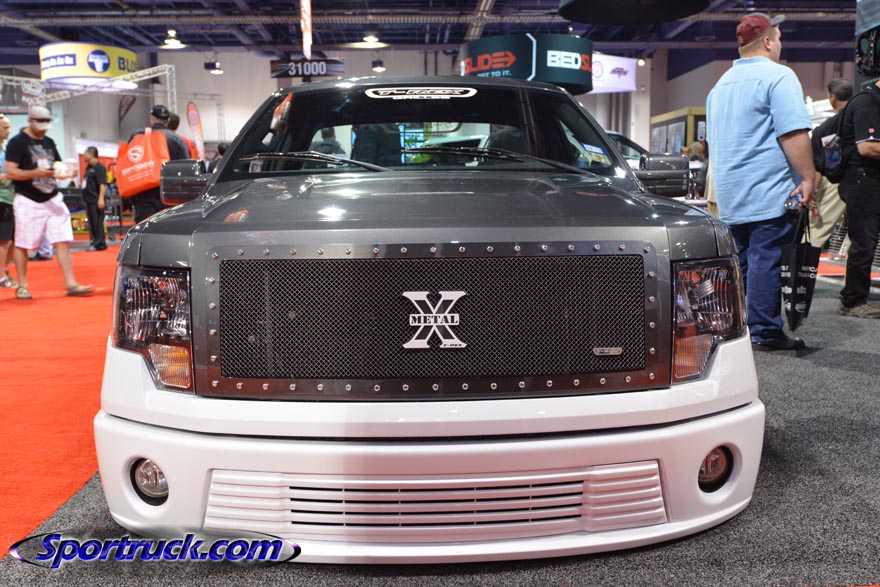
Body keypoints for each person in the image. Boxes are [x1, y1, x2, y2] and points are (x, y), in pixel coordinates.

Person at [706, 12, 815, 351]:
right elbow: (793, 132)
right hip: (769, 189)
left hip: (731, 193)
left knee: (739, 264)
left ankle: (735, 329)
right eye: (779, 39)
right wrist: (808, 177)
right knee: (766, 260)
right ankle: (765, 332)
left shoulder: (719, 86)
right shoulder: (778, 76)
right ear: (768, 41)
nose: (780, 45)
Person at [5, 105, 94, 299]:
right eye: (40, 124)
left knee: (62, 240)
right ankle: (23, 285)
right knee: (23, 243)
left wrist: (66, 172)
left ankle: (70, 283)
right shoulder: (17, 143)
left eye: (46, 124)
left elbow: (56, 166)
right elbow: (11, 172)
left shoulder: (49, 142)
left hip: (52, 197)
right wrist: (33, 173)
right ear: (30, 121)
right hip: (28, 199)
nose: (43, 129)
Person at [837, 72, 880, 317]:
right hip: (863, 183)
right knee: (864, 244)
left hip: (870, 181)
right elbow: (868, 147)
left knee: (865, 243)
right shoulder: (868, 102)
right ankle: (853, 300)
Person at [809, 77, 852, 251]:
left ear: (832, 97)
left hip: (835, 183)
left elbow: (818, 165)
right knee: (859, 234)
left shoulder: (826, 128)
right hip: (865, 181)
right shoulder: (864, 118)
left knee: (817, 230)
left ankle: (805, 263)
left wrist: (811, 191)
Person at [127, 104, 190, 223]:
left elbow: (127, 165)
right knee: (168, 229)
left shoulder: (137, 135)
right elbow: (186, 169)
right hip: (169, 195)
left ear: (152, 118)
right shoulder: (176, 139)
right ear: (168, 120)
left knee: (144, 229)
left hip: (142, 194)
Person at [0, 113, 17, 288]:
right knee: (3, 240)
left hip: (10, 199)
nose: (8, 131)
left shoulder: (4, 150)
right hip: (1, 200)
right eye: (5, 128)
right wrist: (7, 176)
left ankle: (3, 270)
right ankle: (1, 277)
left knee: (11, 239)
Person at [82, 146, 108, 251]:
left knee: (98, 222)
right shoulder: (88, 168)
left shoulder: (100, 168)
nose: (84, 155)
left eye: (85, 153)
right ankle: (95, 242)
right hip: (88, 199)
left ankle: (100, 243)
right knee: (92, 223)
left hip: (96, 199)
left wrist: (101, 199)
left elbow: (102, 184)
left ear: (91, 154)